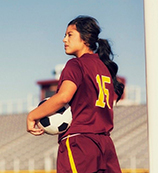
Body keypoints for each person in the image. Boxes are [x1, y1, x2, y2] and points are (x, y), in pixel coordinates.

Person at [27, 15, 124, 173]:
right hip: (105, 145)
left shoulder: (76, 64)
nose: (64, 39)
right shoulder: (105, 67)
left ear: (85, 38)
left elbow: (63, 97)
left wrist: (32, 116)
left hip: (80, 143)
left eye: (69, 34)